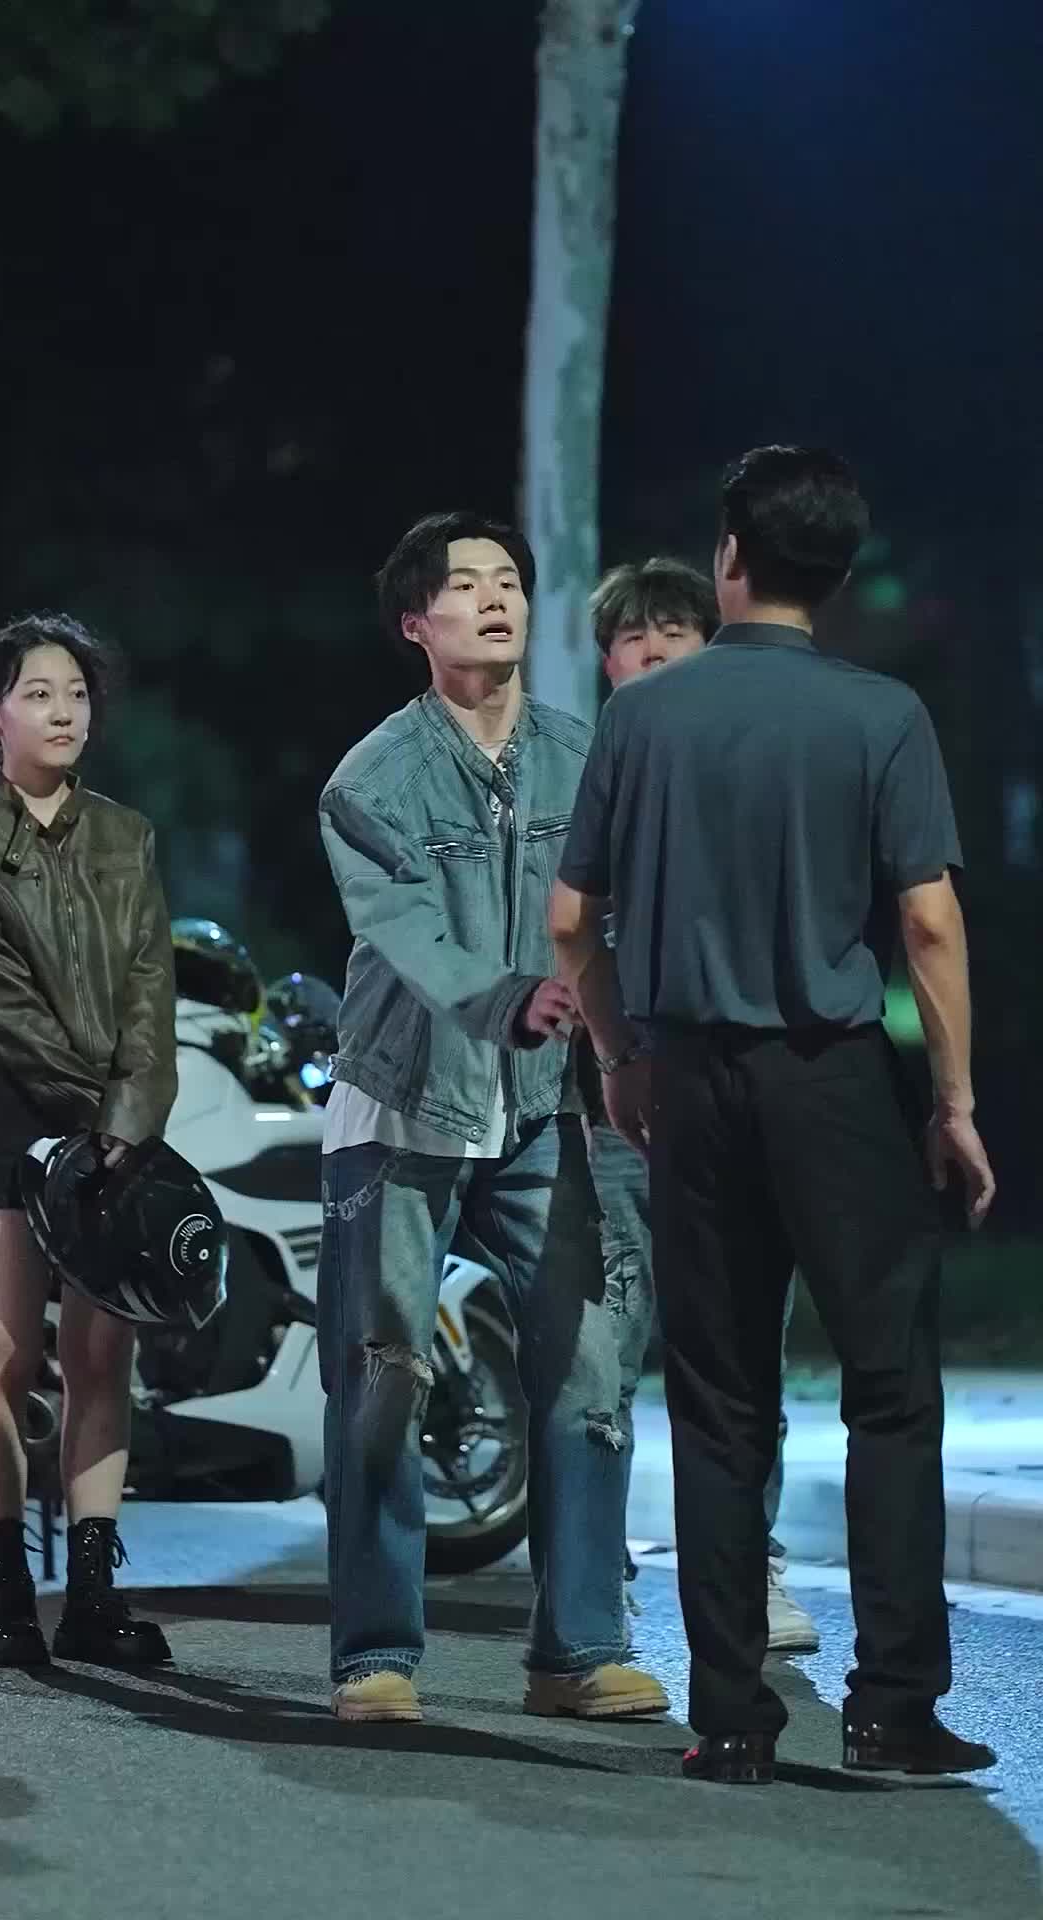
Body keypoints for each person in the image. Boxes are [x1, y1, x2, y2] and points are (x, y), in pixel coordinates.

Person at [550, 446, 997, 1783]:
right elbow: (928, 922)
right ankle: (892, 1708)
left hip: (690, 1079)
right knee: (889, 1389)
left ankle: (733, 1717)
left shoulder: (642, 718)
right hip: (835, 1080)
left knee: (718, 1401)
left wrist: (622, 1057)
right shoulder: (881, 715)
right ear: (839, 573)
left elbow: (571, 923)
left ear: (731, 555)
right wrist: (955, 1102)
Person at [316, 510, 667, 1725]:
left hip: (552, 1105)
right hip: (403, 1104)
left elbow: (630, 913)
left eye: (508, 580)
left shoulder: (588, 757)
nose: (495, 599)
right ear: (416, 624)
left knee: (590, 1372)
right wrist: (510, 997)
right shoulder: (371, 777)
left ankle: (578, 1650)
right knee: (383, 1381)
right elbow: (407, 931)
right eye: (465, 585)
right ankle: (374, 1657)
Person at [582, 557, 818, 1655]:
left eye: (675, 630)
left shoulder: (755, 757)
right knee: (602, 1350)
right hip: (616, 1102)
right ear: (608, 662)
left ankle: (750, 1564)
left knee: (742, 1349)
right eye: (634, 637)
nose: (656, 650)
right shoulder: (586, 767)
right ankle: (599, 1572)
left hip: (742, 1087)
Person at [0, 614, 177, 1668]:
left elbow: (149, 989)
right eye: (38, 693)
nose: (63, 712)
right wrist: (92, 1102)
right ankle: (6, 1596)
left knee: (103, 1353)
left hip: (111, 1122)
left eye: (77, 694)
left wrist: (127, 1118)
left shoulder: (127, 837)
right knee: (2, 1353)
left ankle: (92, 1596)